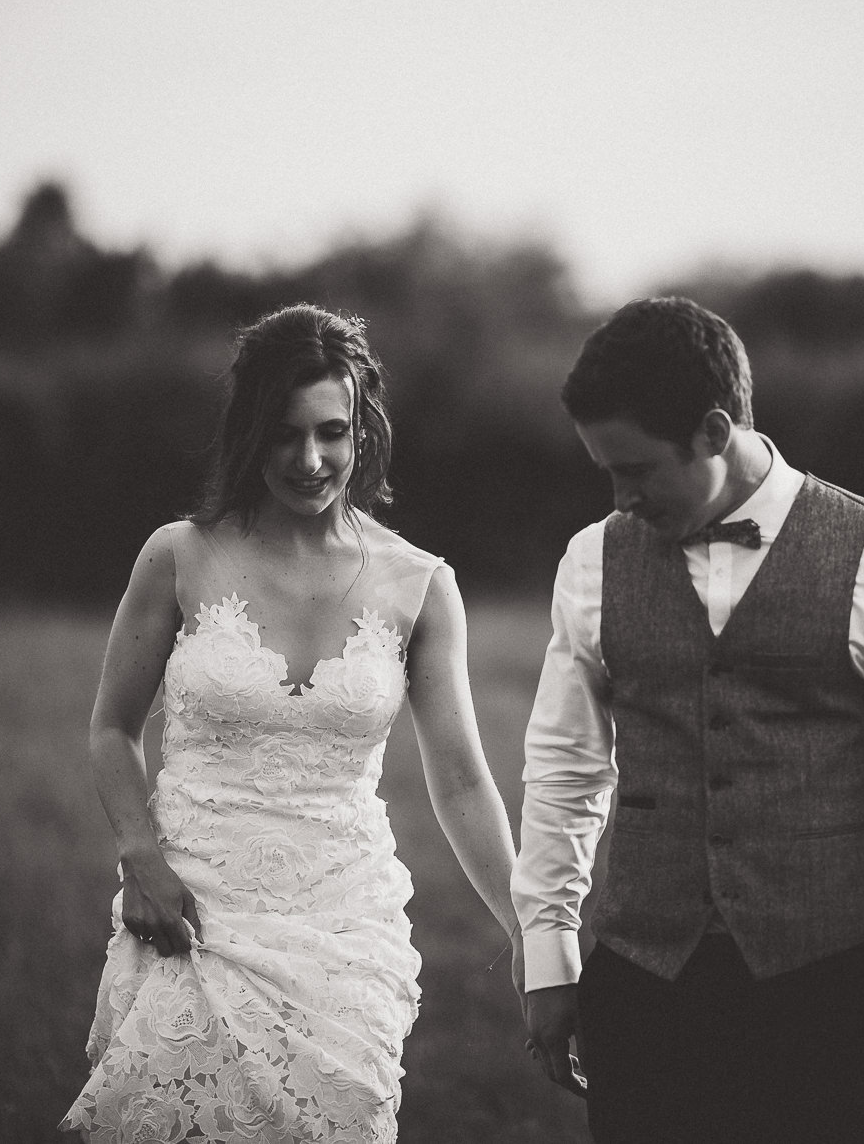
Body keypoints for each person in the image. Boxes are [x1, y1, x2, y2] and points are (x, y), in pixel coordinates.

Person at [514, 297, 864, 1143]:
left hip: (822, 992)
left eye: (637, 469)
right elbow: (565, 773)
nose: (620, 497)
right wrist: (549, 958)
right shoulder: (591, 561)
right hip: (642, 987)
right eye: (604, 472)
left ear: (713, 429)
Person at [62, 305, 521, 1144]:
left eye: (332, 432)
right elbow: (110, 728)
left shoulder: (420, 584)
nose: (310, 460)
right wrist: (140, 855)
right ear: (248, 433)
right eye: (284, 435)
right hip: (192, 908)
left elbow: (459, 779)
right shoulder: (179, 554)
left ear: (363, 427)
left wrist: (530, 926)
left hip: (344, 930)